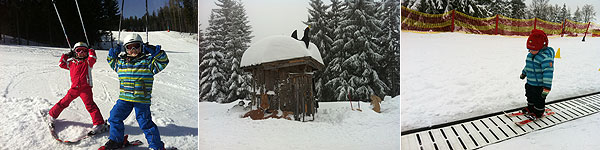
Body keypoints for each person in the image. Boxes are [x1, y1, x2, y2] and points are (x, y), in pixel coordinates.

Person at [102, 33, 169, 150]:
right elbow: (111, 61)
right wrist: (113, 54)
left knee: (145, 123)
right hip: (124, 99)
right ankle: (116, 140)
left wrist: (156, 52)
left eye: (136, 46)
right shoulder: (121, 63)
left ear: (141, 47)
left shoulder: (148, 62)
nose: (133, 50)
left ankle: (156, 146)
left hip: (141, 100)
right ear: (125, 49)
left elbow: (163, 62)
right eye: (129, 47)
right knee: (114, 117)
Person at [48, 42, 108, 134]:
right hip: (74, 89)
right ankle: (52, 115)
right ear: (75, 52)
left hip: (85, 89)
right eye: (78, 50)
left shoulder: (88, 62)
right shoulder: (71, 63)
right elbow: (61, 64)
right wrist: (66, 55)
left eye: (84, 51)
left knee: (90, 106)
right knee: (64, 102)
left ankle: (99, 123)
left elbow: (93, 58)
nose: (81, 52)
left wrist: (91, 50)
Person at [519, 29, 555, 120]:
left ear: (541, 47)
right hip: (530, 82)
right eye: (529, 49)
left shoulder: (545, 58)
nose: (530, 51)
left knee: (539, 99)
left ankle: (538, 112)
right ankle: (530, 108)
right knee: (529, 95)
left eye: (533, 49)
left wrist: (547, 87)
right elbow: (528, 66)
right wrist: (524, 73)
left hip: (540, 85)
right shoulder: (530, 55)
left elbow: (548, 73)